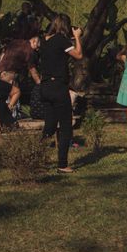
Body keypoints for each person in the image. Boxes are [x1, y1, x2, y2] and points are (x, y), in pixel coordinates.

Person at [39, 13, 83, 173]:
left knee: (49, 125)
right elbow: (78, 55)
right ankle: (62, 164)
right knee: (65, 126)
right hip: (58, 86)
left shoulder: (45, 40)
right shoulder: (60, 39)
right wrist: (77, 37)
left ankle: (36, 156)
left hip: (45, 86)